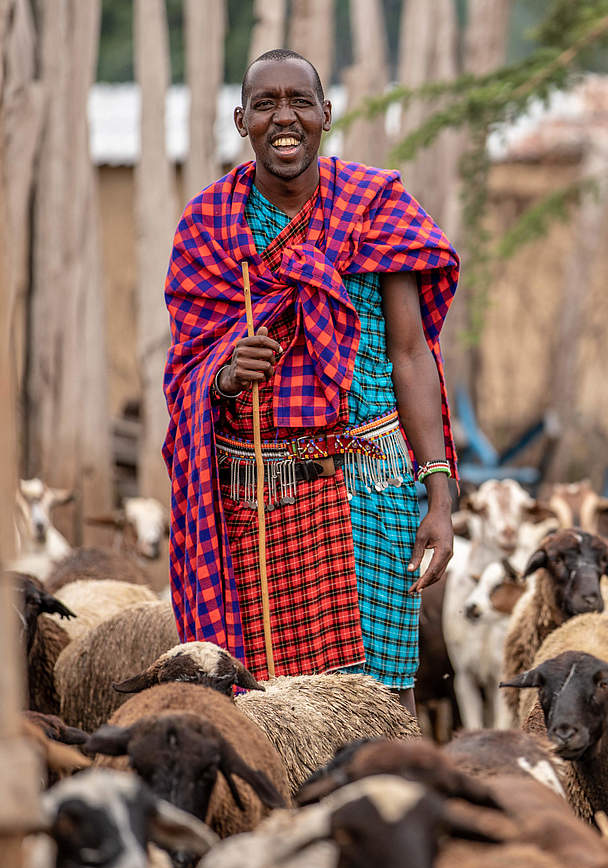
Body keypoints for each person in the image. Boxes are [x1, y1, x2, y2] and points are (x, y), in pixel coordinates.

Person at [163, 49, 457, 714]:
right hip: (261, 500)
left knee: (384, 698)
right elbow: (187, 374)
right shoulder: (210, 228)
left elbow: (412, 355)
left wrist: (438, 492)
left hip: (371, 488)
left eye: (300, 101)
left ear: (327, 115)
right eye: (265, 104)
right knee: (274, 707)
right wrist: (227, 375)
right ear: (242, 121)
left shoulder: (377, 208)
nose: (284, 117)